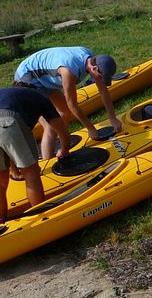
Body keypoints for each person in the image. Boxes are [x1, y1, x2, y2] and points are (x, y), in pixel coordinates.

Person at [14, 46, 122, 159]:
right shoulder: (69, 72)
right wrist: (90, 128)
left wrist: (113, 118)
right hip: (28, 78)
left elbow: (103, 92)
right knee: (51, 125)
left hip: (45, 79)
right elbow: (72, 104)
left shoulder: (92, 59)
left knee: (64, 113)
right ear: (94, 68)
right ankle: (48, 161)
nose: (100, 79)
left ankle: (59, 142)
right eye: (100, 77)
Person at [1, 87, 71, 223]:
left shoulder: (12, 93)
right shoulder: (41, 98)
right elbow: (60, 128)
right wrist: (64, 149)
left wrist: (14, 171)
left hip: (6, 123)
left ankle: (1, 222)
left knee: (1, 182)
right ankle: (42, 218)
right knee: (31, 173)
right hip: (9, 121)